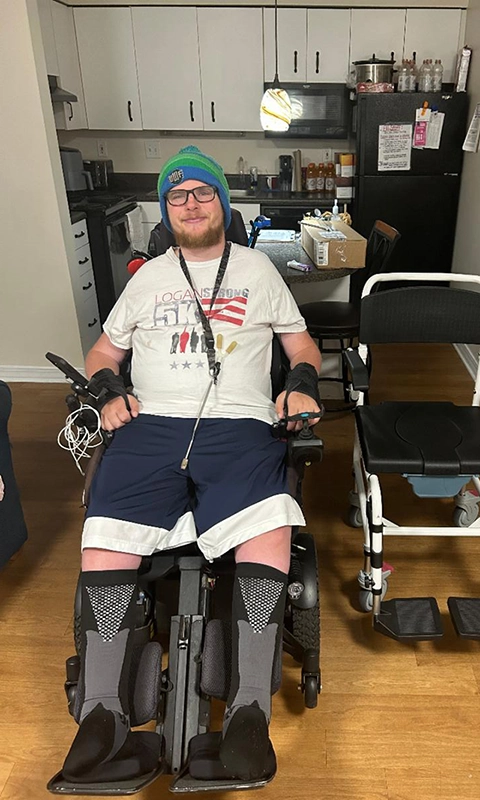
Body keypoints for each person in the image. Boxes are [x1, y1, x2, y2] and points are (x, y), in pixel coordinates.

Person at [61, 146, 322, 784]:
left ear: (222, 205)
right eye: (178, 196)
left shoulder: (259, 269)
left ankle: (249, 712)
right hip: (152, 426)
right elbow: (103, 349)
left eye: (203, 193)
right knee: (108, 533)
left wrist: (305, 380)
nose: (191, 203)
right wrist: (106, 388)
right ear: (167, 209)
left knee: (266, 523)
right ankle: (101, 714)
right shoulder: (146, 277)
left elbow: (299, 342)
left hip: (239, 425)